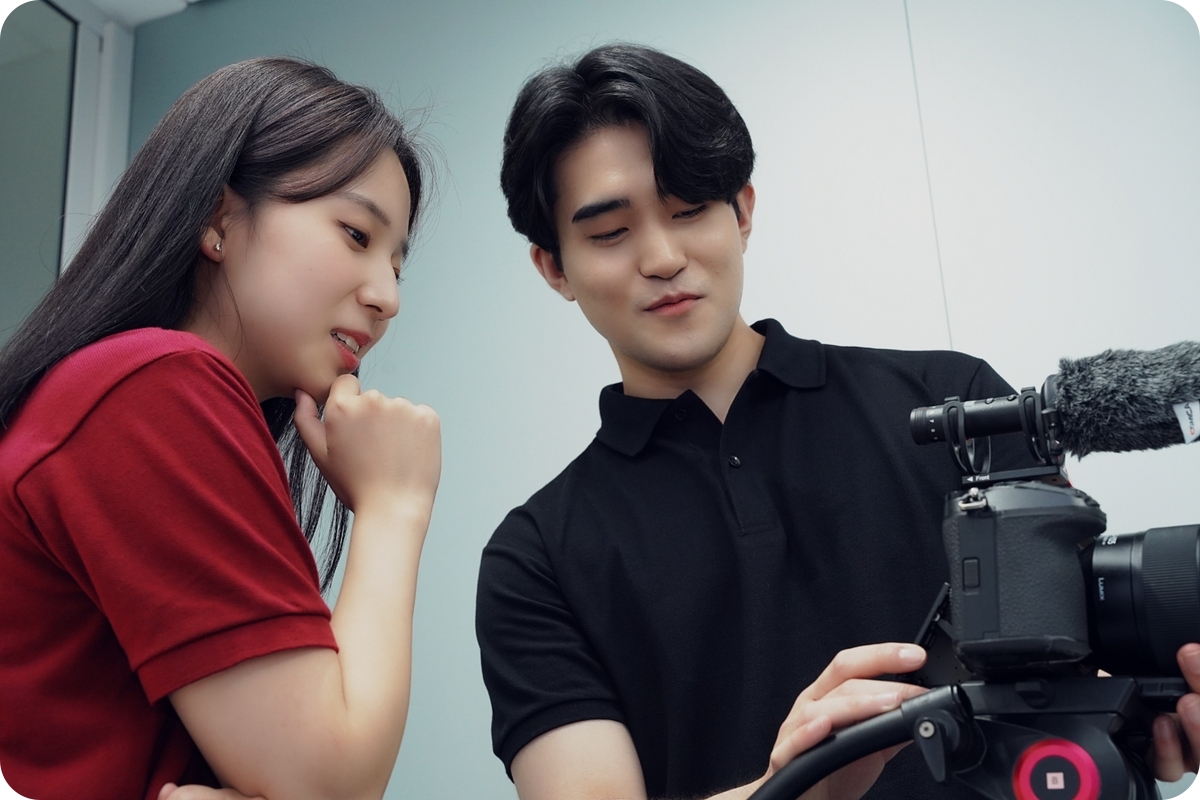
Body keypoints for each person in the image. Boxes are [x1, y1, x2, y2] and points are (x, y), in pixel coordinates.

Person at [476, 43, 1200, 800]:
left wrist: (1139, 727)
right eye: (609, 233)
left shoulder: (957, 405)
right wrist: (800, 788)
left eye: (689, 209)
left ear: (742, 211)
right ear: (553, 266)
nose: (662, 256)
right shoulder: (536, 559)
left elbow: (1084, 683)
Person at [0, 58, 440, 800]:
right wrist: (396, 504)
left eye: (397, 266)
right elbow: (329, 782)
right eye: (356, 234)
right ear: (217, 217)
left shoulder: (132, 389)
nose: (387, 297)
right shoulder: (153, 385)